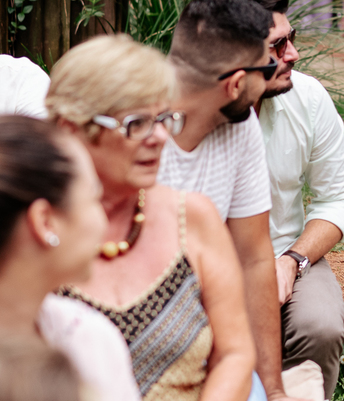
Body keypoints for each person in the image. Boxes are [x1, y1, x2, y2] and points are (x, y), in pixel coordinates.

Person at [44, 37, 257, 401]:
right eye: (136, 122)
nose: (160, 137)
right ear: (70, 129)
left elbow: (235, 354)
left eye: (163, 119)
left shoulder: (193, 218)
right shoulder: (31, 230)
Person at [160, 0, 305, 401]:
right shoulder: (132, 138)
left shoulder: (240, 127)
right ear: (237, 83)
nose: (278, 67)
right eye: (267, 63)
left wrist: (274, 389)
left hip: (213, 337)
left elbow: (254, 258)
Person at [220, 0, 344, 398]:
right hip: (206, 265)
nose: (293, 54)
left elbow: (337, 198)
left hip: (285, 251)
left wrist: (291, 261)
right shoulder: (192, 118)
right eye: (277, 46)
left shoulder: (310, 98)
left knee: (320, 325)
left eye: (292, 39)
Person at [0, 114, 140, 401]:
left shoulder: (88, 336)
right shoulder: (87, 345)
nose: (103, 220)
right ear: (45, 222)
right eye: (94, 198)